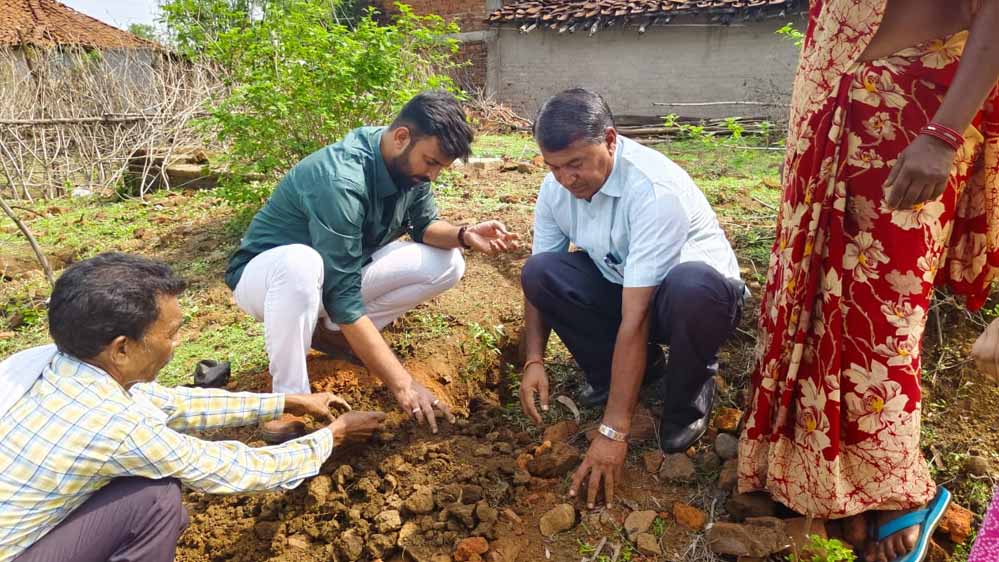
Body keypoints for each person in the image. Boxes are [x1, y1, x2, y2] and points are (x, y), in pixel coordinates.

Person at [738, 1, 999, 561]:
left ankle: (892, 486)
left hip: (909, 116)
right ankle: (816, 474)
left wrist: (945, 133)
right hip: (827, 106)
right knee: (804, 295)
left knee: (882, 315)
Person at [0, 253, 386, 562]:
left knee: (157, 506)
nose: (178, 343)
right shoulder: (114, 428)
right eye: (170, 334)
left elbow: (170, 402)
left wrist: (286, 400)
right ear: (121, 347)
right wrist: (333, 437)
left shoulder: (51, 361)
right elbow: (236, 469)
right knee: (155, 502)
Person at [225, 90, 518, 443]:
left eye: (441, 166)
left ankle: (331, 335)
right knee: (301, 263)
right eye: (431, 162)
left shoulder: (408, 169)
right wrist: (404, 384)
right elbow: (343, 297)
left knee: (448, 262)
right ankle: (290, 397)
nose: (434, 174)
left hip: (331, 277)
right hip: (269, 279)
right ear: (401, 137)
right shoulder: (342, 180)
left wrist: (465, 234)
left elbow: (424, 227)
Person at [517, 88, 745, 508]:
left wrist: (613, 431)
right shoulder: (556, 191)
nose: (566, 179)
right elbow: (538, 280)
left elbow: (636, 319)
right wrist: (534, 358)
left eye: (575, 164)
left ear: (609, 139)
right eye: (553, 167)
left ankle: (689, 392)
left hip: (696, 301)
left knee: (692, 286)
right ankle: (626, 375)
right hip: (627, 286)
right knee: (541, 273)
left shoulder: (653, 191)